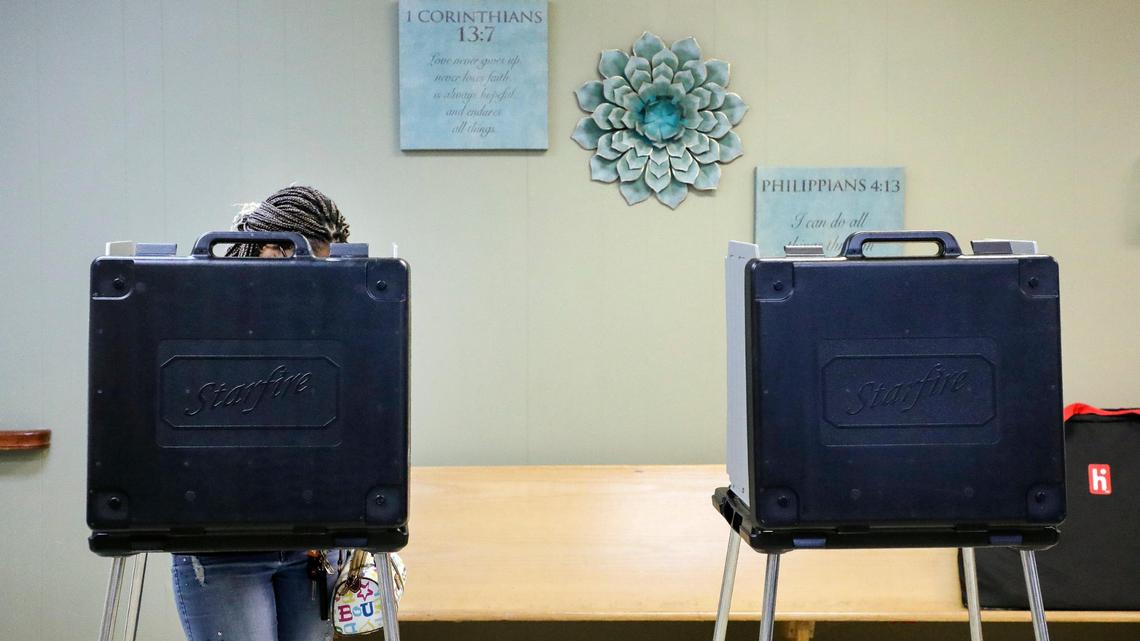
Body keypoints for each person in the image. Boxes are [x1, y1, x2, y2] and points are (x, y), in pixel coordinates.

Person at [171, 185, 350, 641]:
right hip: (222, 546)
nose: (305, 274)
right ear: (261, 244)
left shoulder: (340, 316)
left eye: (319, 263)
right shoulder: (194, 312)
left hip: (313, 544)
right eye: (291, 254)